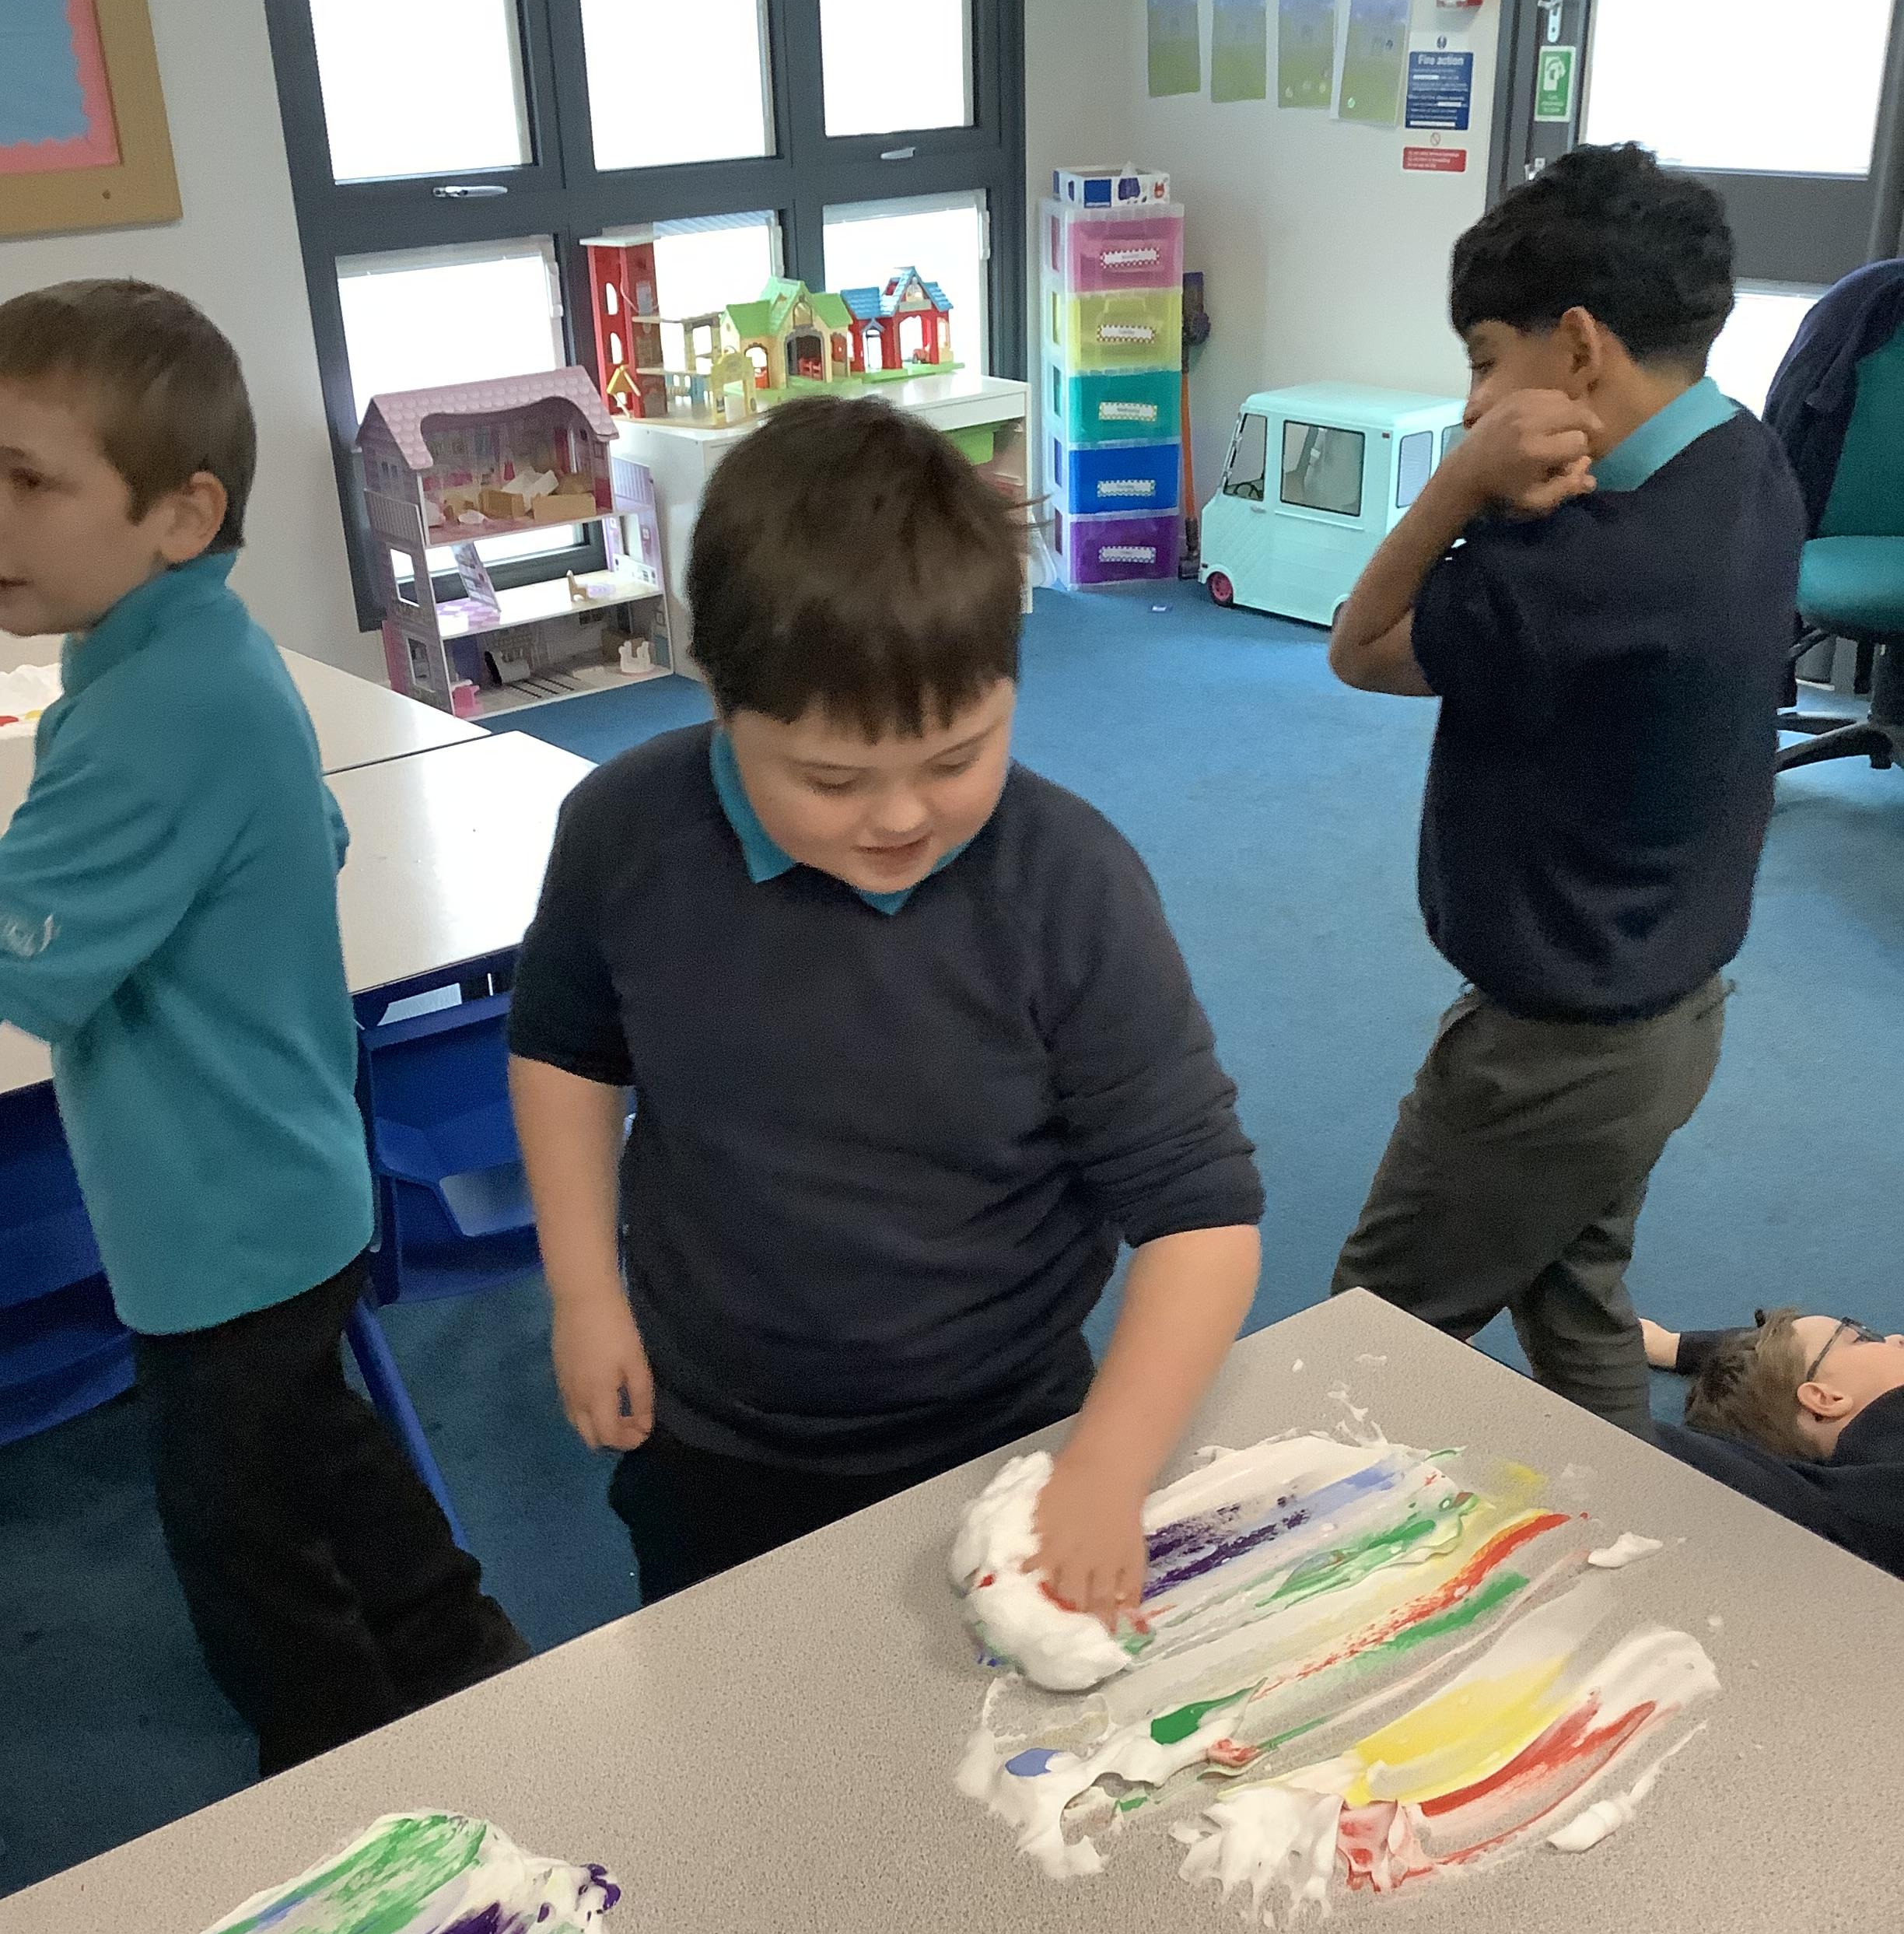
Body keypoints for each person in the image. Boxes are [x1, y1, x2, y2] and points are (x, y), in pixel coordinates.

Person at [508, 395, 1262, 1621]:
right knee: (733, 1702)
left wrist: (1107, 1468)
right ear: (722, 704)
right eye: (832, 779)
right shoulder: (623, 833)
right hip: (715, 1432)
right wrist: (586, 1294)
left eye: (958, 757)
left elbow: (1203, 1216)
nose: (903, 817)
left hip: (1003, 1436)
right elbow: (564, 1052)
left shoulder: (1069, 884)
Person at [0, 279, 527, 1773]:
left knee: (242, 1536)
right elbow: (314, 836)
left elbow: (27, 966)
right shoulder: (194, 653)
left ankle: (336, 1766)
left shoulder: (151, 712)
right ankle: (457, 1641)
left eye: (28, 482)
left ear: (181, 513)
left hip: (219, 1209)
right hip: (284, 1169)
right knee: (313, 1444)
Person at [1326, 143, 1807, 1439]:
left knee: (1366, 1332)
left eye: (1486, 360)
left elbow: (1362, 647)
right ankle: (1634, 1507)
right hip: (1668, 1005)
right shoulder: (1744, 464)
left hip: (1551, 1052)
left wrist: (1458, 482)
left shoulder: (1587, 573)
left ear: (1580, 346)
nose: (1474, 399)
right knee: (1572, 1290)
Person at [1644, 1310, 1904, 1579]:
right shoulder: (1873, 1499)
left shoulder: (1860, 1497)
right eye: (1861, 1338)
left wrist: (1674, 1347)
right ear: (1825, 1398)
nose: (1897, 1338)